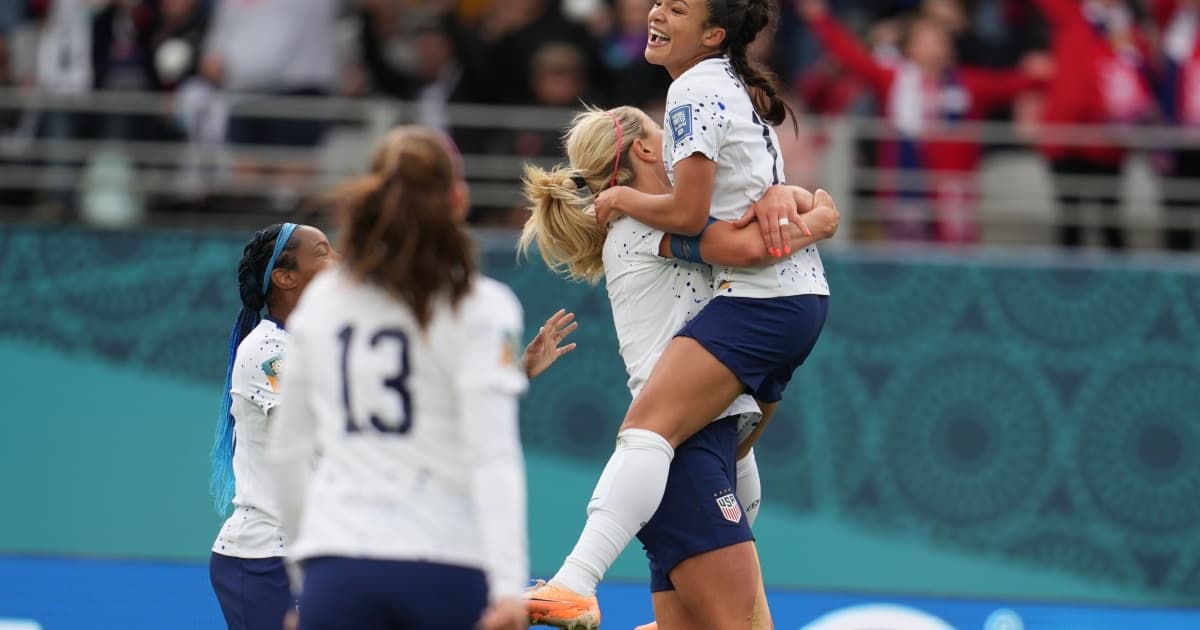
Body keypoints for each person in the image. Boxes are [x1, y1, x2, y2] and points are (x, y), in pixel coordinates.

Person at [524, 1, 834, 627]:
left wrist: (781, 192)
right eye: (665, 140)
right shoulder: (643, 213)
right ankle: (573, 582)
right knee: (648, 436)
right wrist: (818, 218)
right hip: (690, 452)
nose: (658, 9)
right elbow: (740, 241)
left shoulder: (649, 198)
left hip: (706, 445)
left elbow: (741, 198)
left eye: (676, 4)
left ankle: (573, 583)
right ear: (644, 147)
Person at [262, 127, 532, 630]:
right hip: (447, 561)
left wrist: (308, 581)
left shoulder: (323, 302)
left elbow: (288, 452)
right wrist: (508, 588)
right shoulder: (484, 307)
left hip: (339, 565)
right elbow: (491, 454)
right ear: (458, 197)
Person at [798, 0, 1047, 243]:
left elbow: (1012, 84)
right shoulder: (893, 79)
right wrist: (819, 18)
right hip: (904, 185)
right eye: (925, 39)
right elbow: (852, 56)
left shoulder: (967, 84)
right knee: (904, 254)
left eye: (939, 40)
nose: (933, 46)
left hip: (954, 193)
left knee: (956, 257)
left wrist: (1043, 71)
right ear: (910, 47)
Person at [208, 222, 338, 630]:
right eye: (322, 253)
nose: (339, 261)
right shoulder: (268, 351)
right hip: (263, 560)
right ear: (284, 277)